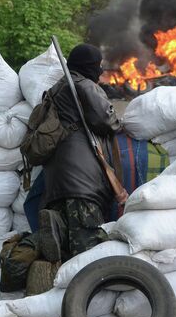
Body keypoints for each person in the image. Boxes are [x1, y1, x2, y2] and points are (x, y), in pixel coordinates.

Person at [38, 43, 121, 263]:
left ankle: (53, 228)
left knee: (66, 246)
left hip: (57, 179)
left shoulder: (57, 88)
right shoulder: (83, 86)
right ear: (88, 66)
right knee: (88, 251)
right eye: (98, 66)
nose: (101, 71)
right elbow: (106, 120)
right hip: (81, 182)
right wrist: (119, 123)